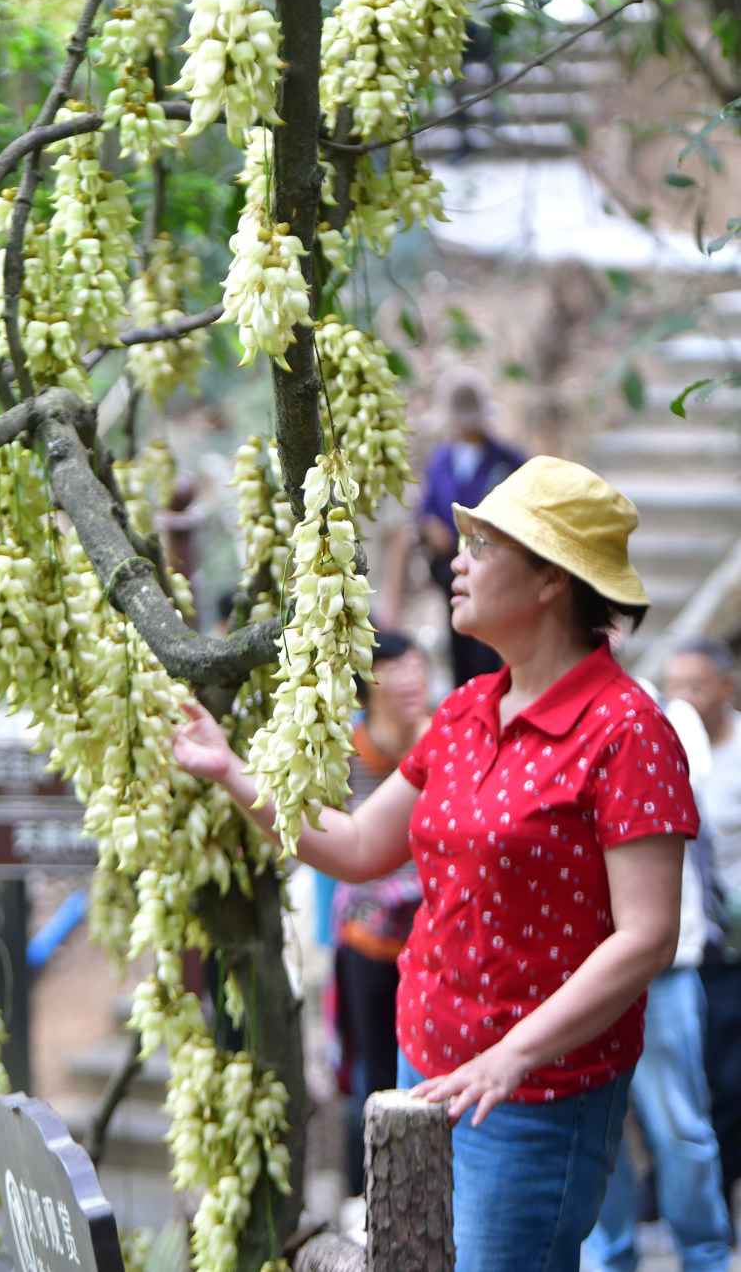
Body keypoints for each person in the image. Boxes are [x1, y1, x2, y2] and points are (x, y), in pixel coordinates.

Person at [173, 456, 698, 1272]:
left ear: (553, 580)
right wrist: (231, 773)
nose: (455, 561)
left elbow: (648, 935)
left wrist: (513, 1053)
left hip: (532, 1095)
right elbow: (353, 848)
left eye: (483, 546)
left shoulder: (627, 731)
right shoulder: (465, 711)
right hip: (422, 1069)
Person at [585, 690, 732, 1272]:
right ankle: (610, 1258)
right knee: (599, 1136)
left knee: (682, 1131)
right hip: (584, 976)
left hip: (663, 974)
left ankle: (706, 1257)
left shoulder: (659, 715)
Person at [331, 631, 430, 1192]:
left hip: (436, 936)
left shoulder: (446, 736)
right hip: (369, 943)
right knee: (374, 1074)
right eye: (395, 669)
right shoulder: (346, 751)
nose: (410, 678)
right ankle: (370, 1196)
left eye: (418, 665)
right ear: (368, 685)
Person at [385, 368, 524, 687]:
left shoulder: (508, 461)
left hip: (494, 577)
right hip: (450, 575)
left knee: (490, 652)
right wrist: (429, 526)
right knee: (461, 648)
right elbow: (428, 506)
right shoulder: (441, 459)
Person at [666, 638, 741, 1220]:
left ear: (727, 685)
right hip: (696, 945)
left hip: (736, 943)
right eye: (674, 686)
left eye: (695, 685)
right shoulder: (667, 744)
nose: (682, 698)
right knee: (705, 1082)